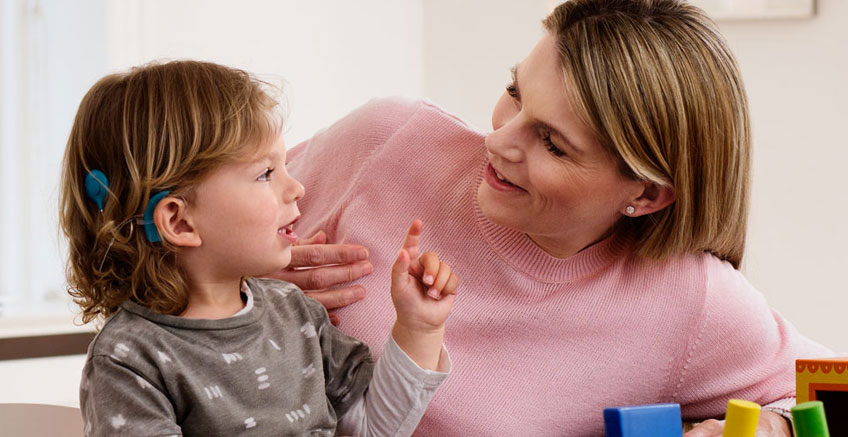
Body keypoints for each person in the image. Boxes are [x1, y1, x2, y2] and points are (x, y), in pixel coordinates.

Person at [276, 0, 833, 435]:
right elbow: (192, 215)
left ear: (648, 194)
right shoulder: (389, 138)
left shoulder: (688, 301)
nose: (496, 141)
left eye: (552, 144)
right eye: (516, 94)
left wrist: (772, 425)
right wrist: (236, 288)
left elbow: (834, 389)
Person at [59, 60, 458, 436]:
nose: (296, 187)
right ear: (179, 222)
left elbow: (372, 428)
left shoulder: (296, 312)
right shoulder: (129, 362)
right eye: (266, 173)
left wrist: (419, 329)